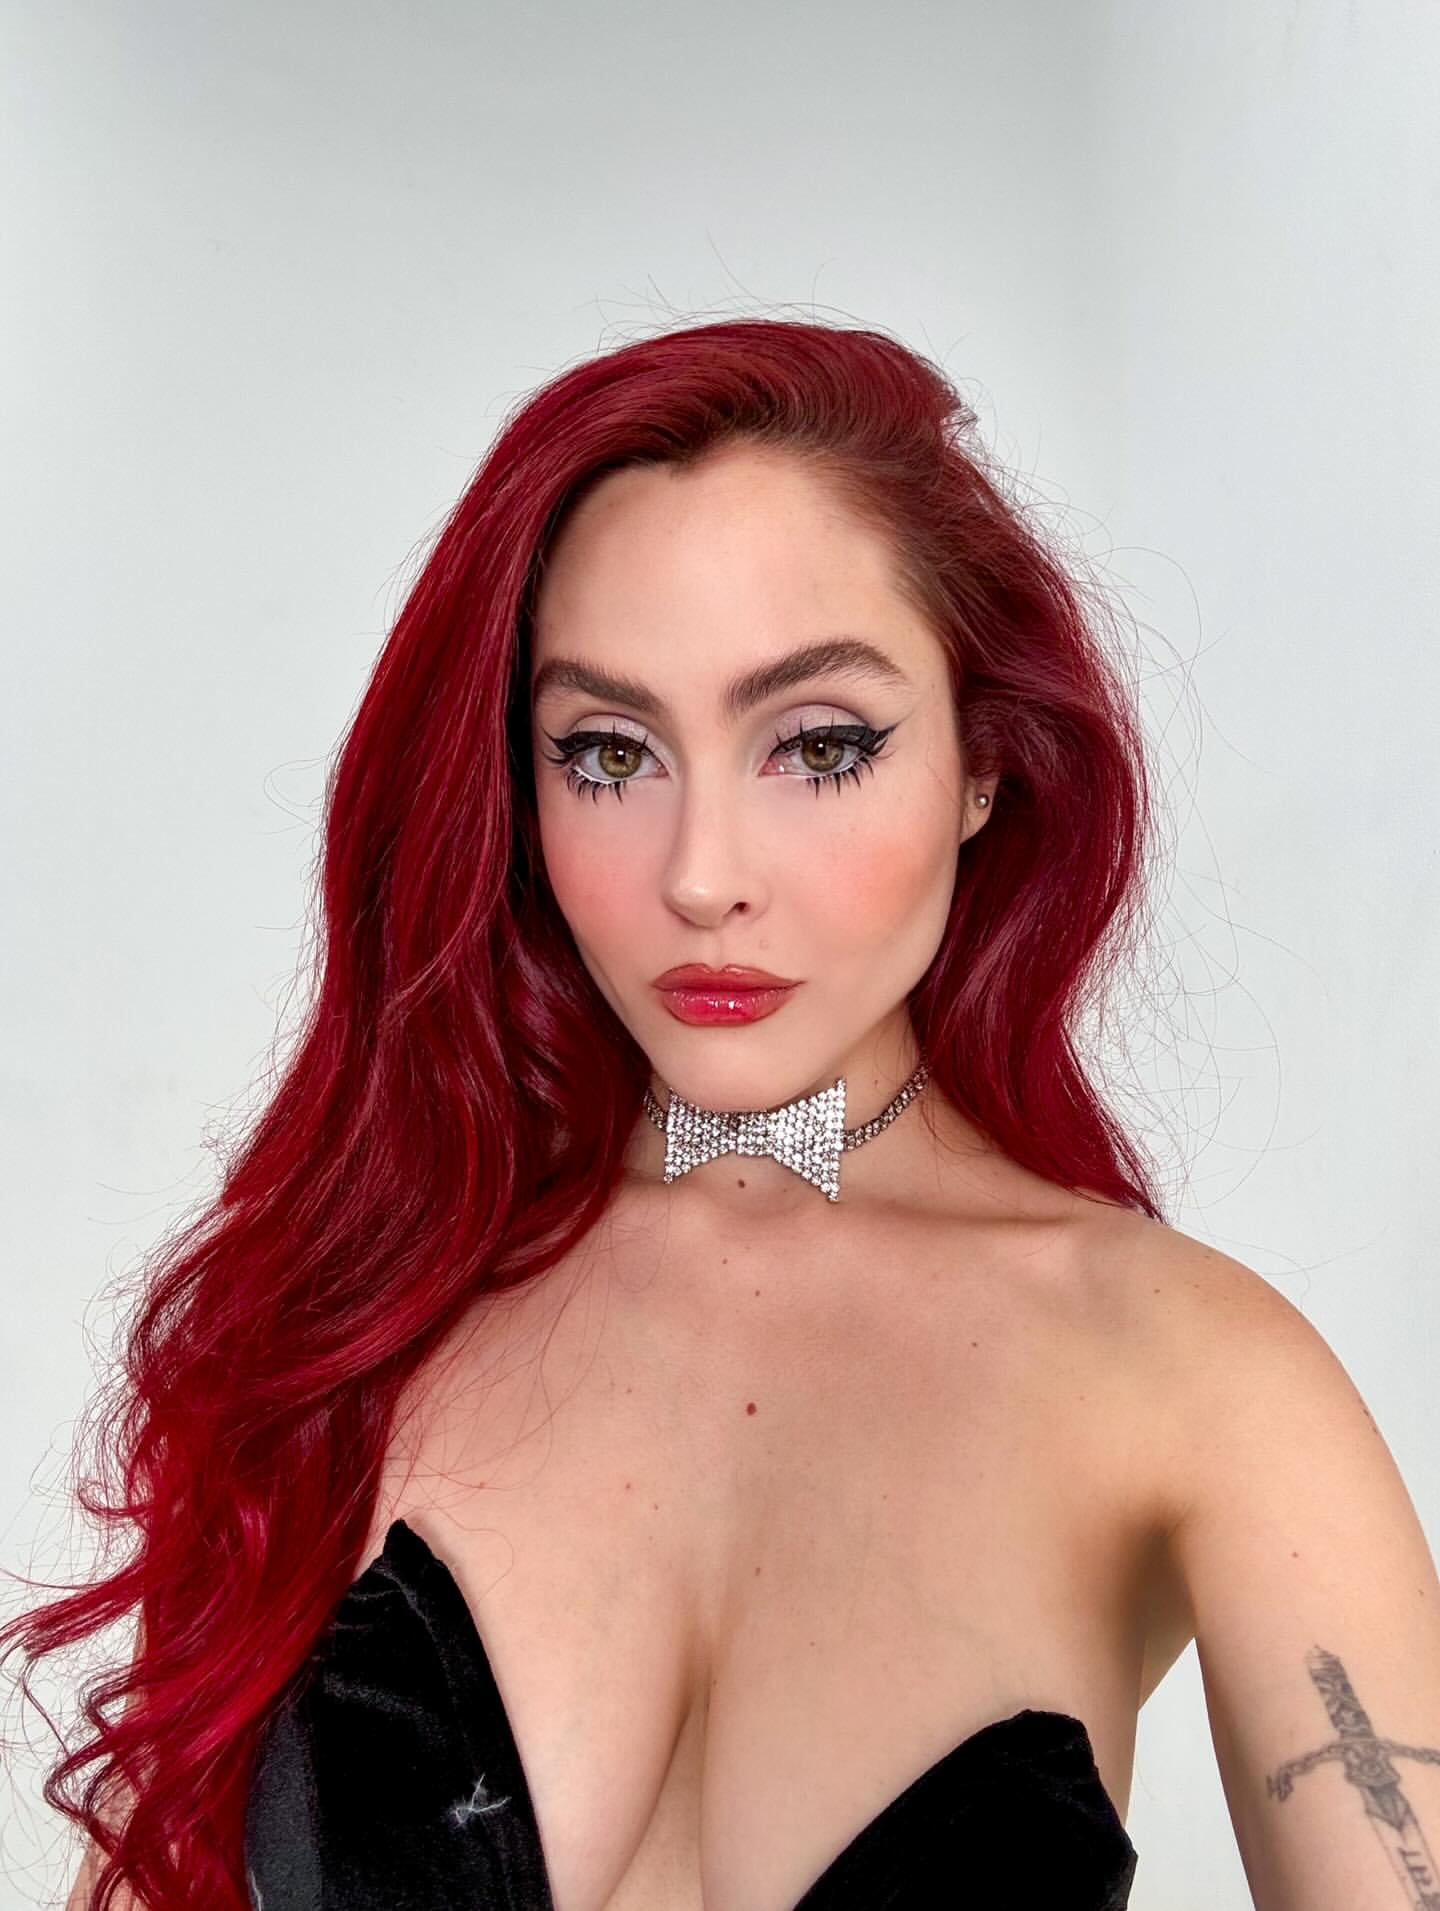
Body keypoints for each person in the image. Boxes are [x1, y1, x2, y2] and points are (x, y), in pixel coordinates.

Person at [15, 318, 1438, 1910]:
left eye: (818, 746)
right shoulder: (368, 1310)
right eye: (608, 752)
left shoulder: (1199, 1385)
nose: (702, 876)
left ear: (985, 762)